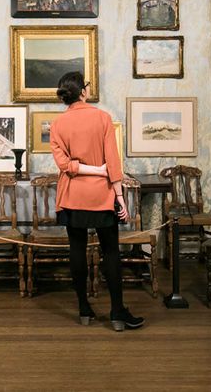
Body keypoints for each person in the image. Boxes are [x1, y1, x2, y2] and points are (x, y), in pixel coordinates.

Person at [50, 71, 145, 332]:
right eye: (87, 85)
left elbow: (64, 165)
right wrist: (120, 197)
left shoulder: (57, 124)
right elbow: (113, 164)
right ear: (83, 91)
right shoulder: (102, 118)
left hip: (71, 196)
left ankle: (83, 309)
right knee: (111, 252)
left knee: (77, 250)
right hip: (101, 196)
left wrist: (88, 169)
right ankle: (117, 312)